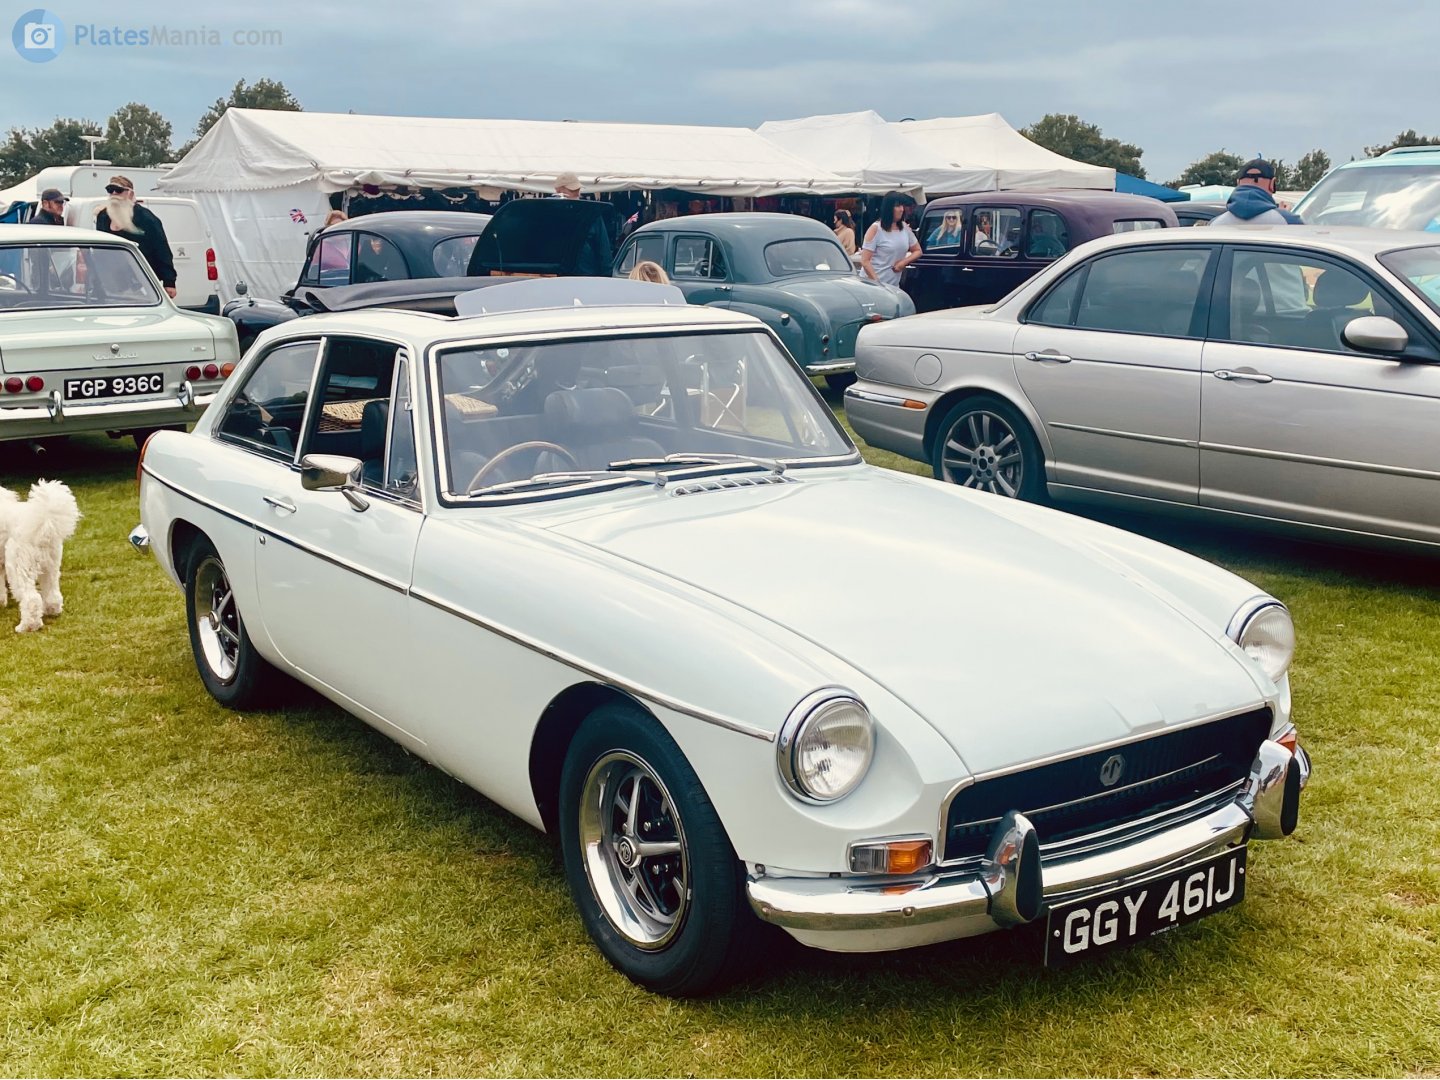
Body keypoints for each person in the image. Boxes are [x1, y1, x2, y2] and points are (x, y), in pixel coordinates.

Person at [94, 175, 177, 297]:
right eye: (110, 190)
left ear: (130, 193)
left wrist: (169, 281)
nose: (114, 194)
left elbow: (162, 249)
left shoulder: (146, 218)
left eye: (119, 190)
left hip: (140, 282)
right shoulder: (103, 217)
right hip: (108, 282)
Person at [551, 171, 612, 276]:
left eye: (577, 190)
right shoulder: (549, 213)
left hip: (586, 278)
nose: (576, 193)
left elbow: (604, 252)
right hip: (559, 277)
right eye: (572, 190)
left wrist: (606, 277)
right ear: (558, 190)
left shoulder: (592, 213)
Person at [1209, 159, 1304, 226]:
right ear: (1272, 184)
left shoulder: (1214, 224)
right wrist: (1284, 215)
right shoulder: (1290, 222)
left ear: (1238, 183)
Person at [859, 191, 920, 286]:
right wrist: (878, 283)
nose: (901, 209)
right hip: (873, 285)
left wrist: (903, 262)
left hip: (893, 286)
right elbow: (865, 260)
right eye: (898, 206)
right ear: (889, 208)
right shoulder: (875, 228)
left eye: (902, 206)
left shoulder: (905, 228)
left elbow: (917, 251)